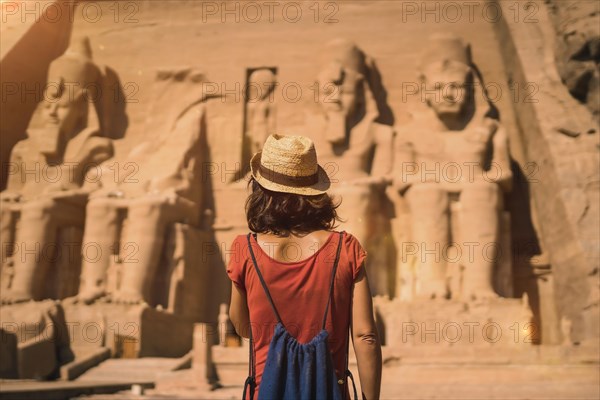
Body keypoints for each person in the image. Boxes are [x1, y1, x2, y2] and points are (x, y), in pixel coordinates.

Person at [227, 134, 382, 399]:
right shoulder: (346, 248)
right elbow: (365, 335)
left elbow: (244, 327)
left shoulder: (244, 249)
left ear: (260, 191)